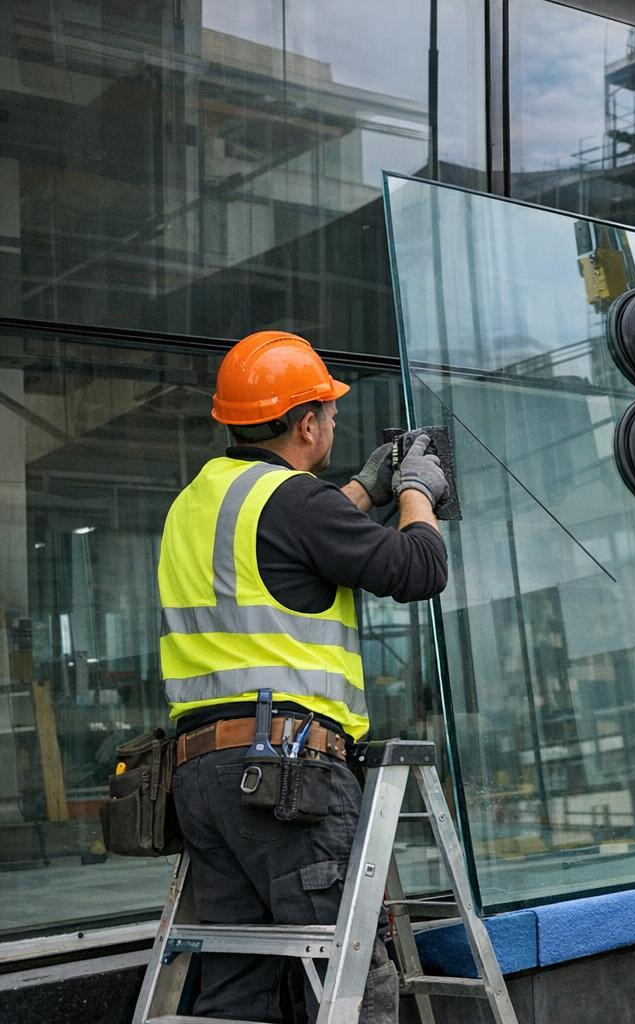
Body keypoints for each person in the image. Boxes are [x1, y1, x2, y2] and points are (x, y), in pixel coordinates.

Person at [159, 330, 451, 1023]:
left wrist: (359, 490)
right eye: (328, 411)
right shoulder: (295, 502)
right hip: (288, 780)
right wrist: (416, 492)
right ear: (307, 423)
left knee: (237, 987)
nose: (332, 422)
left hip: (202, 781)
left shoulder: (195, 505)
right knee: (346, 976)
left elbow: (287, 552)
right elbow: (420, 569)